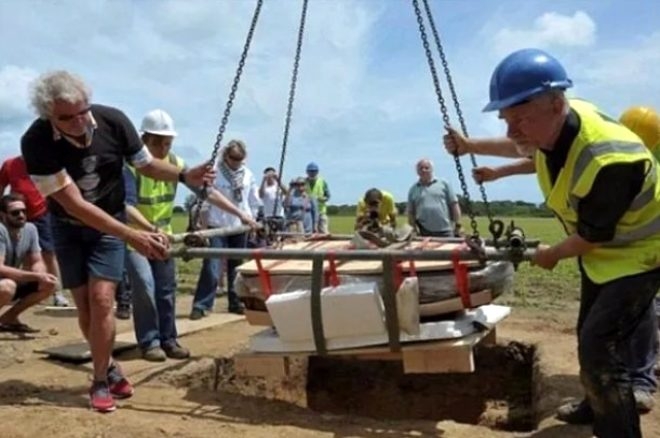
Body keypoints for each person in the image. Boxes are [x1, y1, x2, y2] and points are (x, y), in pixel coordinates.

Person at [445, 48, 660, 438]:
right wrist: (470, 146)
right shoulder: (554, 125)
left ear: (557, 104)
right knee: (588, 334)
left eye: (519, 120)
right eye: (505, 120)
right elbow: (526, 148)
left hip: (643, 252)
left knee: (599, 346)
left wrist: (552, 254)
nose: (512, 131)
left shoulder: (609, 159)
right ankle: (596, 402)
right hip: (607, 253)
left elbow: (594, 235)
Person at [20, 70, 214, 413]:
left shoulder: (113, 122)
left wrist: (184, 176)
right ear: (49, 114)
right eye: (68, 117)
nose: (80, 121)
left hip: (109, 229)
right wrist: (133, 236)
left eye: (84, 111)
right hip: (68, 227)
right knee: (84, 307)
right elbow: (75, 204)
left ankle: (97, 381)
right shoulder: (35, 142)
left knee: (103, 299)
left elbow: (146, 165)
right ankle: (107, 365)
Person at [125, 109, 256, 361]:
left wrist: (241, 214)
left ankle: (169, 340)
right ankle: (150, 342)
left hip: (163, 237)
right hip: (135, 238)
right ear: (144, 139)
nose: (163, 148)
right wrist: (150, 230)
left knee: (165, 289)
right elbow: (125, 205)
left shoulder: (176, 165)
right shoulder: (131, 167)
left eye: (167, 143)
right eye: (157, 143)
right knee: (144, 286)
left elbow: (207, 193)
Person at [191, 140, 261, 318]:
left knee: (236, 266)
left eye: (240, 159)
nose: (236, 162)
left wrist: (252, 219)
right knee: (212, 266)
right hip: (217, 225)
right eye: (233, 158)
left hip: (239, 225)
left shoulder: (247, 174)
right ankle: (202, 304)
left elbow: (253, 201)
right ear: (226, 156)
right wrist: (202, 223)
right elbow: (205, 198)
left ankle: (235, 302)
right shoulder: (214, 172)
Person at [0, 156, 69, 307]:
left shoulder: (43, 161)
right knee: (15, 253)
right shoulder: (10, 164)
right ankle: (17, 289)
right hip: (13, 214)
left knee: (48, 253)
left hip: (40, 213)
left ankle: (57, 292)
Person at [0, 194, 58, 333]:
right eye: (15, 212)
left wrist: (40, 275)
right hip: (4, 282)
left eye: (24, 211)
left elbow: (37, 261)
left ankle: (9, 318)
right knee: (7, 286)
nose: (21, 215)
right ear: (2, 215)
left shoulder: (30, 229)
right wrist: (36, 276)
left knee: (49, 284)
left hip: (9, 280)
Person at [407, 158, 462, 237]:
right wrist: (413, 229)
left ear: (432, 169)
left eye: (426, 168)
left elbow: (454, 204)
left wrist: (458, 224)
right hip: (424, 231)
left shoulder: (444, 184)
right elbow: (410, 212)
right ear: (417, 171)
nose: (424, 170)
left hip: (446, 230)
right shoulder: (413, 189)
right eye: (421, 168)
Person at [304, 162, 330, 233]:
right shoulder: (303, 182)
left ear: (317, 172)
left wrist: (320, 199)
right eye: (310, 171)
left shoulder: (322, 182)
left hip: (321, 211)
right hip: (308, 213)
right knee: (308, 233)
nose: (312, 173)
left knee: (324, 232)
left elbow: (328, 197)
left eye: (314, 171)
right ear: (307, 172)